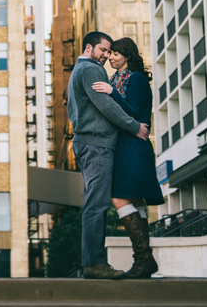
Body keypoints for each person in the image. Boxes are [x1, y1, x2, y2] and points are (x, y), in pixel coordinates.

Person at [67, 31, 150, 280]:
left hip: (91, 143)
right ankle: (94, 263)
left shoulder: (80, 70)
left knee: (102, 202)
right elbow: (106, 106)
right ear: (89, 48)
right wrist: (134, 127)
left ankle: (115, 261)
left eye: (110, 51)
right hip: (97, 144)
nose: (106, 55)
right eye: (103, 50)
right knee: (98, 204)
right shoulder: (91, 70)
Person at [93, 37, 164, 279]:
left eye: (115, 53)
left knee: (119, 198)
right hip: (124, 144)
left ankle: (144, 258)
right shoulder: (115, 79)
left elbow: (133, 111)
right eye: (109, 53)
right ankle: (144, 261)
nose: (110, 57)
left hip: (134, 144)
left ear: (127, 55)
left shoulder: (136, 79)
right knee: (135, 200)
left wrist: (112, 92)